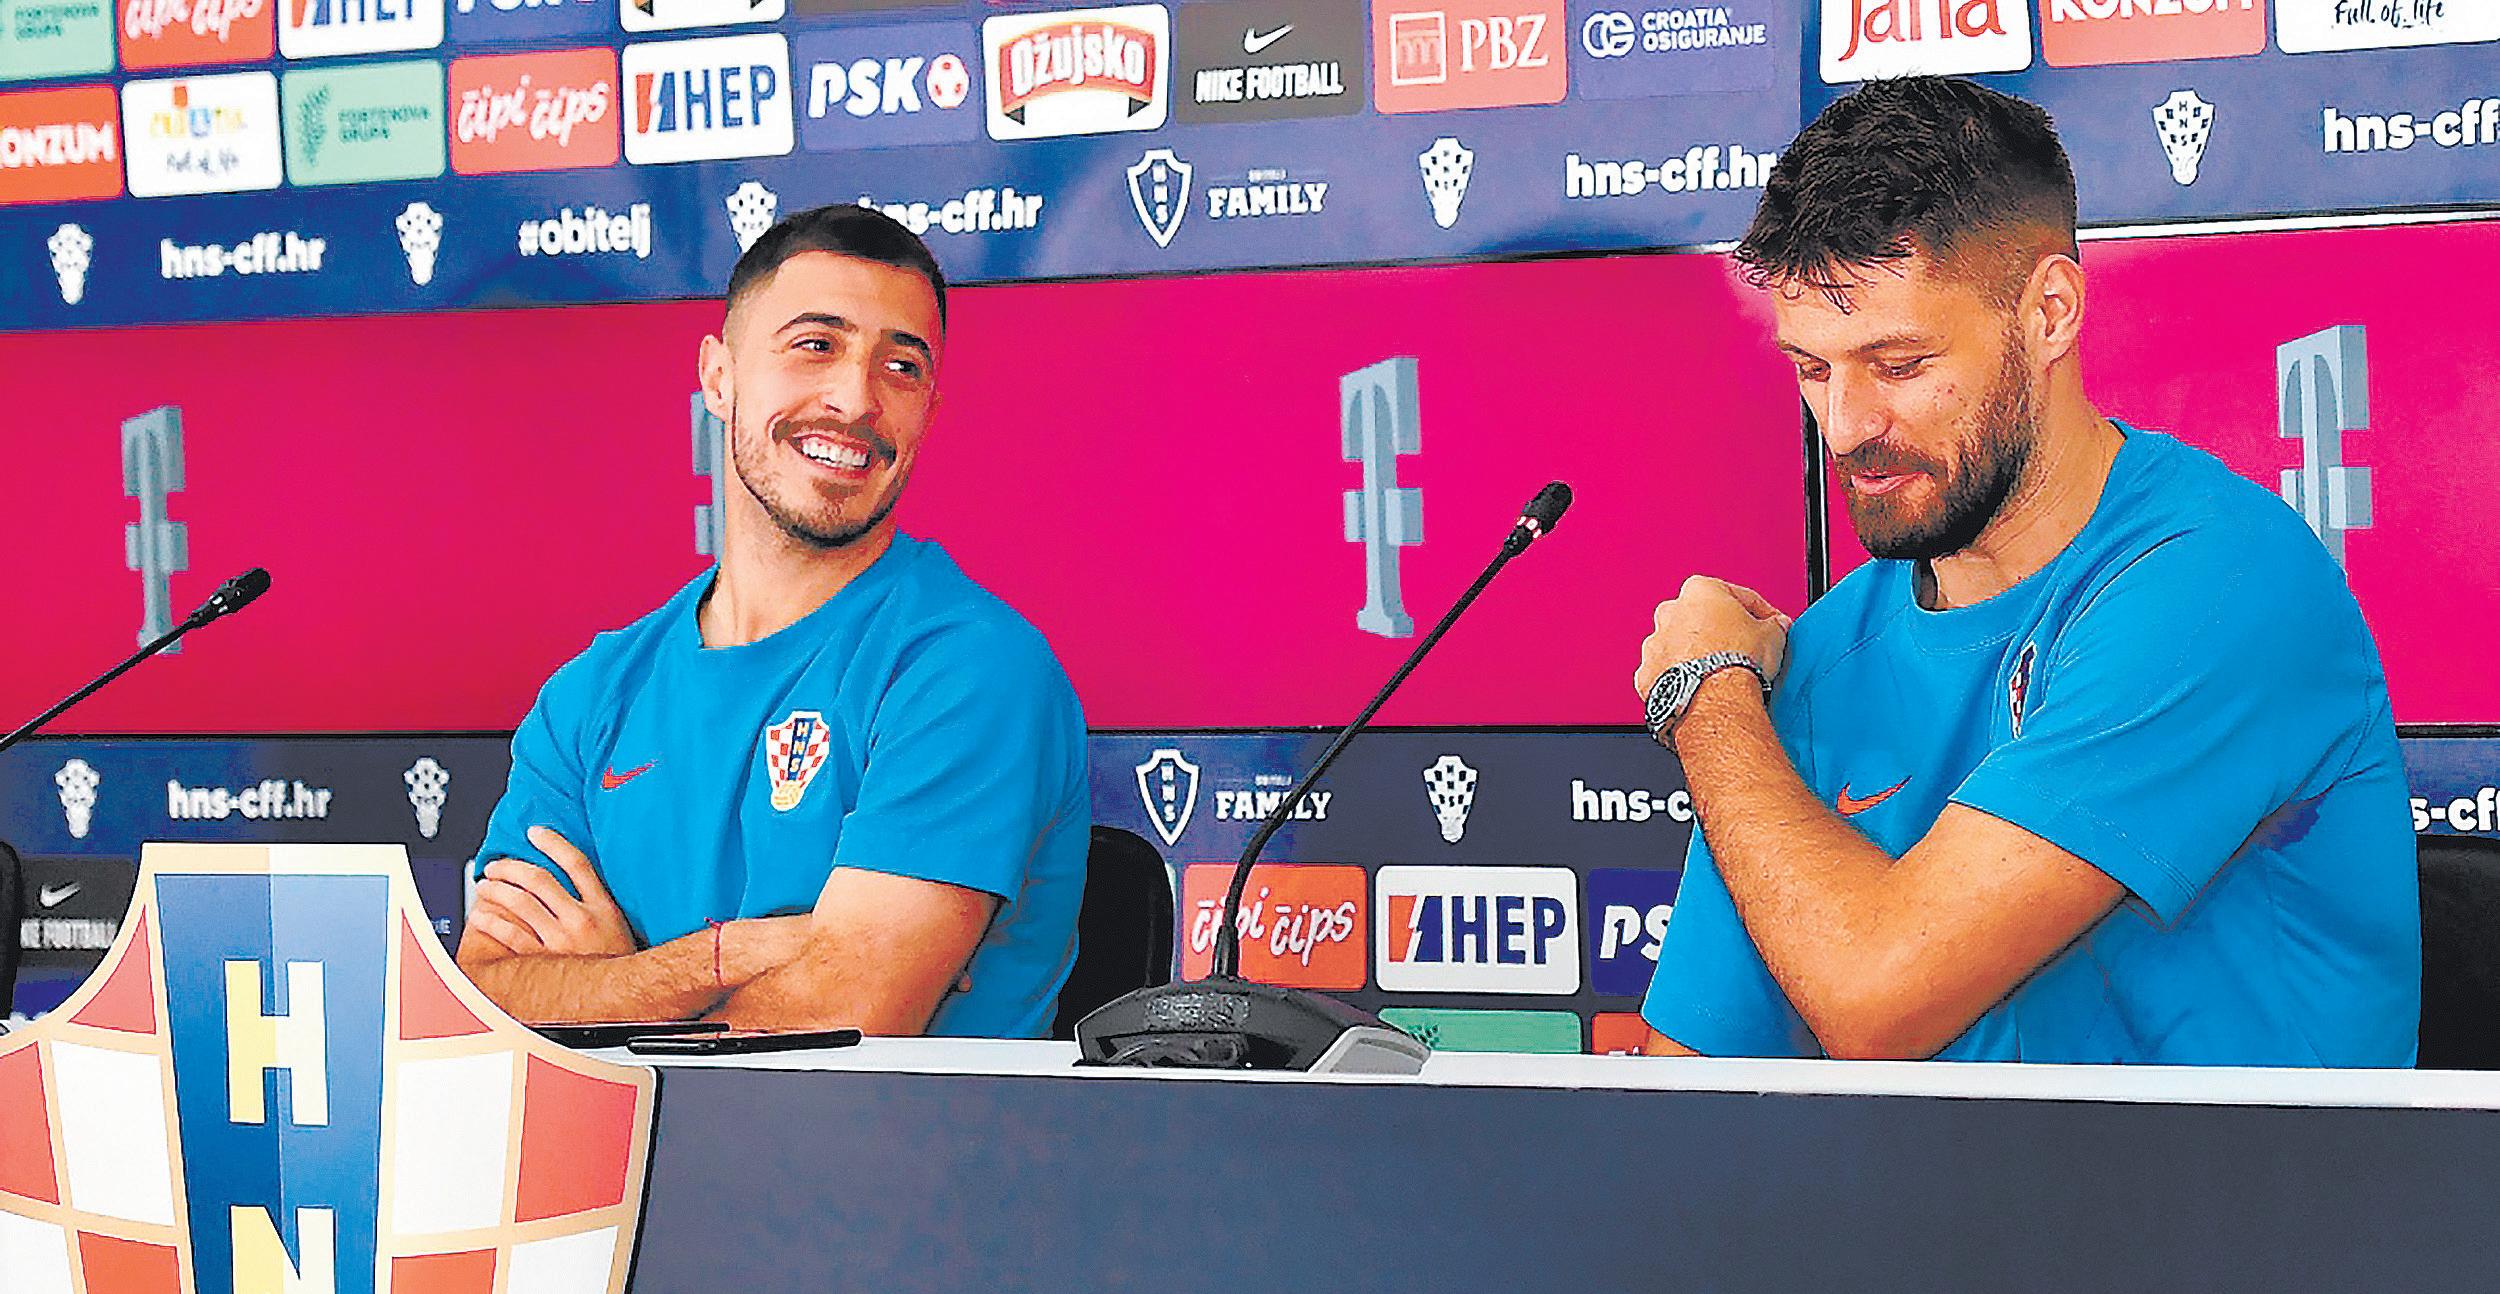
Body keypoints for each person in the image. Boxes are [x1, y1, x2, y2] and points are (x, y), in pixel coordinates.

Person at [1631, 77, 2417, 1064]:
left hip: (2241, 1175)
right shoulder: (1816, 660)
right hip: (1930, 1179)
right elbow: (1683, 1091)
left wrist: (1704, 699)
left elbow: (1875, 996)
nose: (1845, 426)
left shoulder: (2220, 585)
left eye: (1900, 364)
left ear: (2049, 312)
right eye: (1812, 368)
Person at [457, 204, 1089, 1038]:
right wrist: (719, 961)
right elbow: (485, 998)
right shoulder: (591, 696)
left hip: (878, 1133)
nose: (855, 400)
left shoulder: (971, 670)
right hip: (634, 1133)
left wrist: (604, 987)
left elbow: (838, 1024)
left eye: (901, 367)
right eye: (815, 345)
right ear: (719, 378)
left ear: (931, 411)